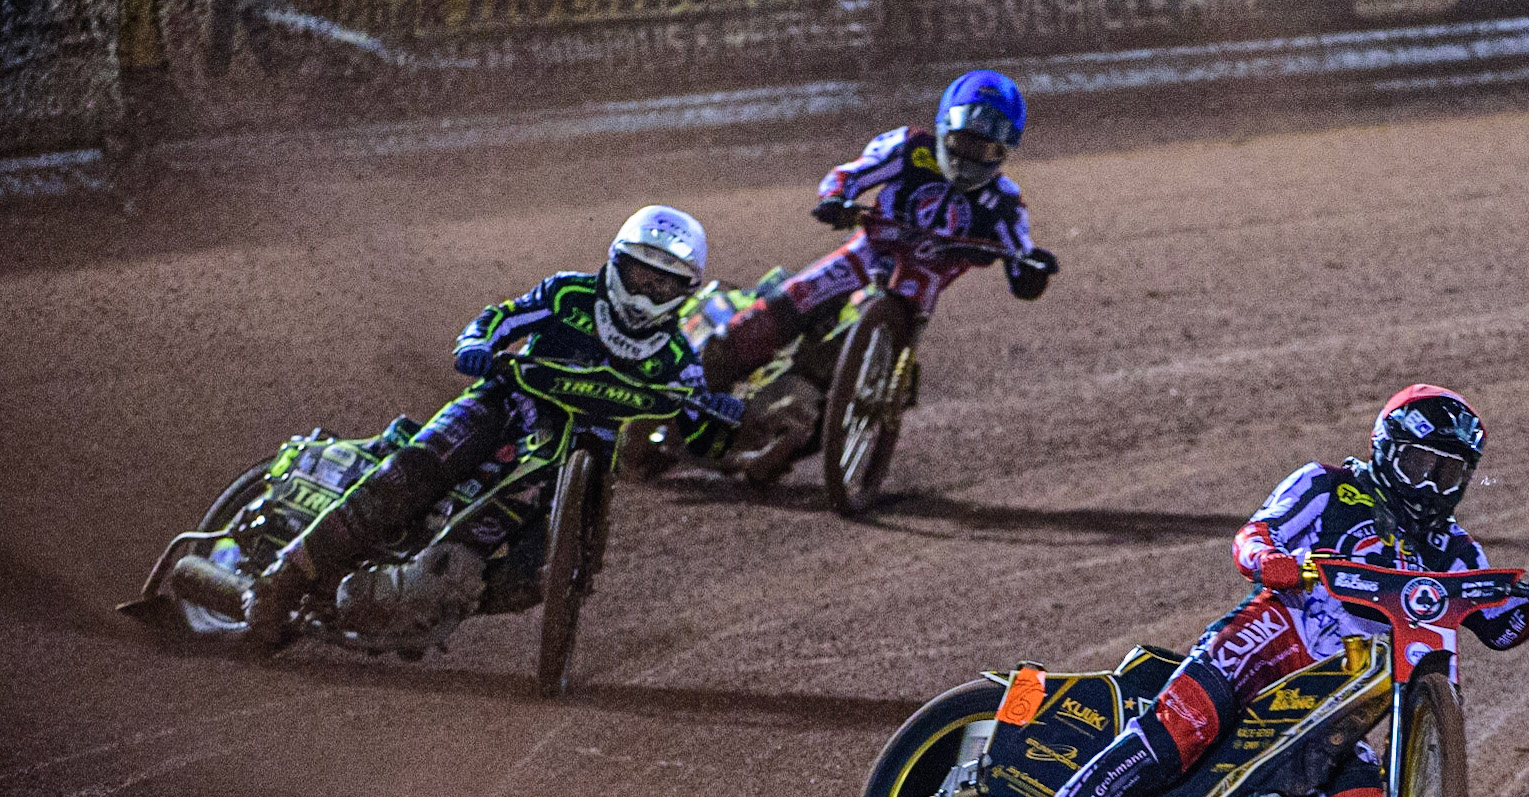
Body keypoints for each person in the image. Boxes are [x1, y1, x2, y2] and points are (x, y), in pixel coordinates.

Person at [1000, 386, 1529, 797]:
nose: (1430, 484)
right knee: (1182, 726)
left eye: (1448, 471)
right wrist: (1270, 562)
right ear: (1385, 451)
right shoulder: (1327, 487)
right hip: (1273, 638)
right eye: (1418, 464)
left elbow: (1500, 630)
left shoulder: (1456, 548)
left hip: (1342, 692)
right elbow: (1254, 537)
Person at [243, 204, 742, 642]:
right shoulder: (569, 295)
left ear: (686, 289)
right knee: (414, 471)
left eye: (664, 282)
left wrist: (724, 416)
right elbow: (501, 318)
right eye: (640, 275)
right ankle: (282, 579)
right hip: (505, 407)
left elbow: (699, 427)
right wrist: (476, 347)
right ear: (617, 263)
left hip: (578, 460)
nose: (648, 291)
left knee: (541, 575)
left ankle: (431, 592)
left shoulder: (678, 353)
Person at [703, 70, 1059, 481]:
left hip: (918, 290)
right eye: (964, 141)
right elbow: (848, 174)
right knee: (775, 312)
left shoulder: (1005, 202)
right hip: (864, 253)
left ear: (1003, 152)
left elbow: (1022, 258)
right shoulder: (909, 147)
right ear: (945, 129)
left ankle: (801, 428)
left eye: (986, 147)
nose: (972, 156)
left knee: (841, 369)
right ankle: (700, 378)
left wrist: (1032, 271)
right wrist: (836, 199)